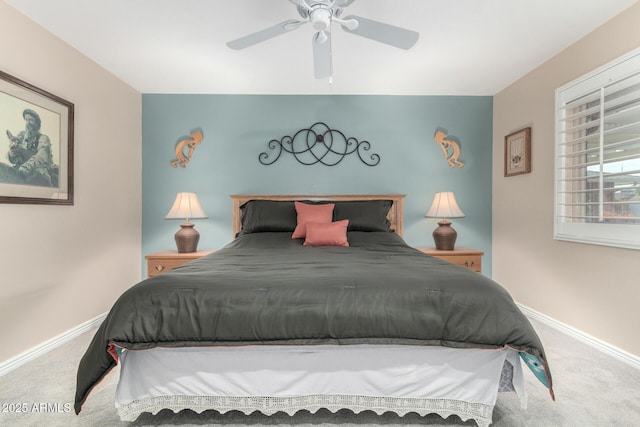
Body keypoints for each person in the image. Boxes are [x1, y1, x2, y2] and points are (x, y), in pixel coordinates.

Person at [5, 108, 58, 187]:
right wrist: (11, 154)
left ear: (37, 123)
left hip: (39, 168)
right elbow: (14, 157)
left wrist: (25, 158)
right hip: (21, 168)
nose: (28, 123)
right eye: (26, 120)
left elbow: (41, 157)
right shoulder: (21, 136)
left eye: (31, 120)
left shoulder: (43, 138)